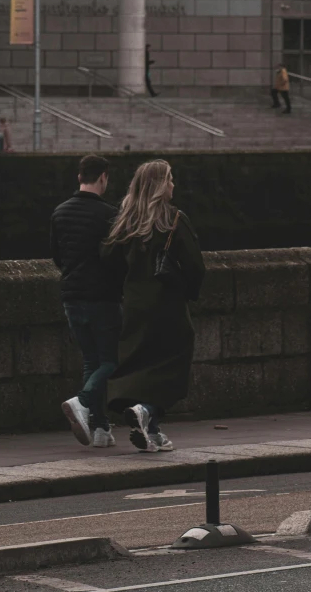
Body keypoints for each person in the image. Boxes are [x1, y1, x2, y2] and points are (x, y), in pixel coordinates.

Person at [101, 160, 205, 453]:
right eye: (170, 180)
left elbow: (108, 260)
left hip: (135, 304)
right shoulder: (173, 219)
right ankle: (146, 409)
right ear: (160, 185)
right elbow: (195, 265)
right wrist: (189, 292)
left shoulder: (125, 221)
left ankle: (153, 431)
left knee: (141, 362)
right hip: (168, 303)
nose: (174, 185)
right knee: (173, 362)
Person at [51, 155, 122, 448]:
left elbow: (57, 256)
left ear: (80, 177)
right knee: (111, 361)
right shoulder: (109, 214)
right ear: (103, 177)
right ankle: (81, 402)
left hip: (71, 296)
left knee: (91, 361)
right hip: (101, 297)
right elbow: (117, 260)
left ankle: (101, 428)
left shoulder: (60, 212)